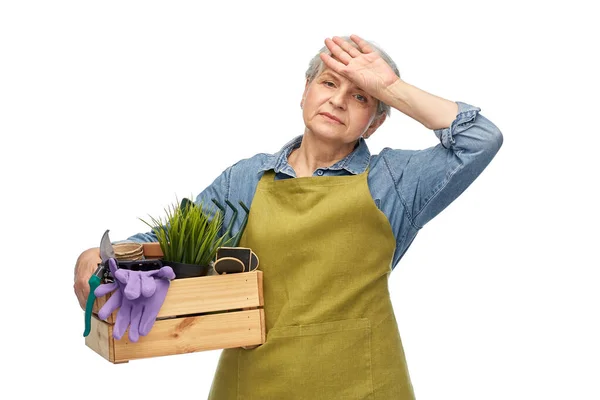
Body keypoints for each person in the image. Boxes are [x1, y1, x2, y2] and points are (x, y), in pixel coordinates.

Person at [74, 34, 503, 399]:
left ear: (374, 122)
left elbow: (480, 140)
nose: (338, 100)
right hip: (256, 384)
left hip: (366, 385)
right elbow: (173, 242)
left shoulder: (393, 180)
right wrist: (97, 255)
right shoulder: (247, 179)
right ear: (305, 90)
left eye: (360, 97)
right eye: (329, 83)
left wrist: (390, 87)